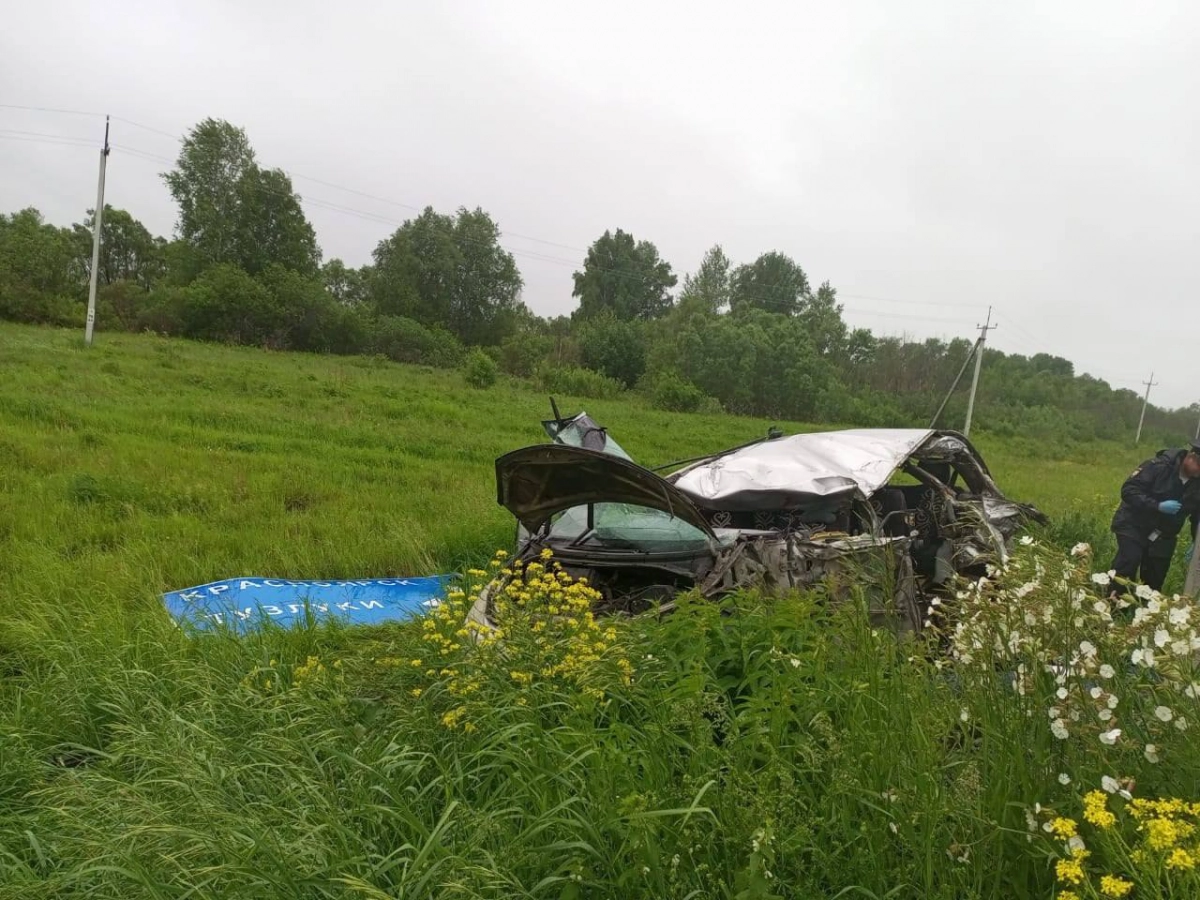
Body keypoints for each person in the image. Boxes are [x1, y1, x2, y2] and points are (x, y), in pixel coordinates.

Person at [1109, 440, 1200, 593]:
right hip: (1134, 524)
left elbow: (1197, 516)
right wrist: (1157, 505)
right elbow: (1129, 490)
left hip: (1164, 534)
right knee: (1127, 565)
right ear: (1191, 457)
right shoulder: (1158, 466)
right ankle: (1112, 607)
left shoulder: (1197, 484)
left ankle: (1146, 614)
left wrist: (1197, 542)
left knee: (1154, 580)